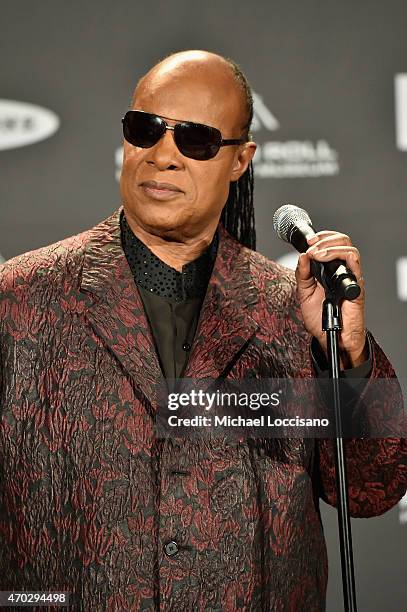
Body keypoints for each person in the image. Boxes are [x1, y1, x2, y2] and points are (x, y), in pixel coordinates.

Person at [0, 49, 406, 611]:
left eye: (195, 140)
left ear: (241, 160)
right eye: (145, 130)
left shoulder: (289, 309)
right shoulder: (18, 299)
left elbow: (371, 489)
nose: (163, 155)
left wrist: (347, 353)